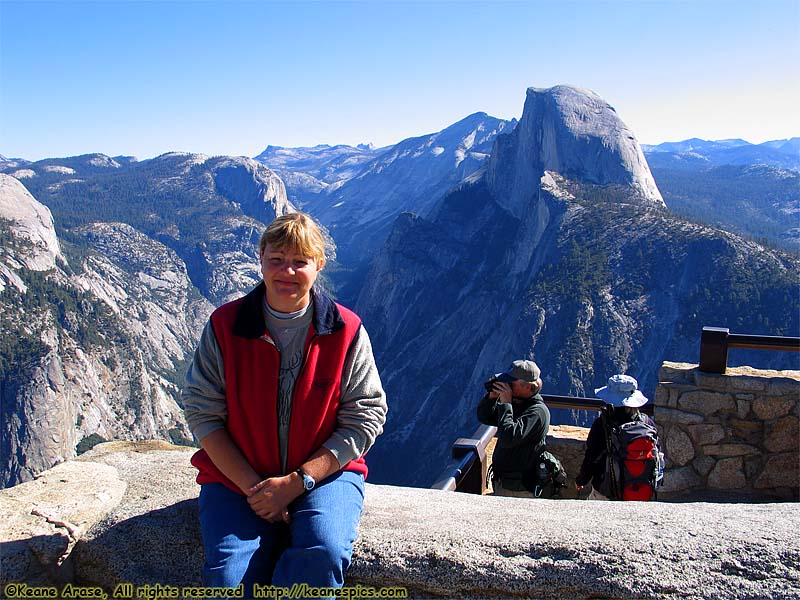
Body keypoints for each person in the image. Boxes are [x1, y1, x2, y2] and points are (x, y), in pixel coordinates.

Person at [182, 212, 387, 597]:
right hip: (238, 476)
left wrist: (298, 482)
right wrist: (258, 490)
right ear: (260, 258)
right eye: (276, 260)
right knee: (227, 579)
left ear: (319, 264)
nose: (287, 271)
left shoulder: (345, 330)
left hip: (326, 474)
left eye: (300, 261)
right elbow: (202, 411)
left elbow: (366, 416)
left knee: (322, 552)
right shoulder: (226, 326)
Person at [576, 374, 658, 500]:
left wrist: (581, 480)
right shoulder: (647, 423)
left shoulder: (602, 424)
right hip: (640, 489)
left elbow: (592, 457)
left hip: (606, 488)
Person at [476, 359, 551, 498]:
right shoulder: (518, 402)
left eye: (511, 383)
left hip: (519, 488)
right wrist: (492, 397)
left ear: (527, 387)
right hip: (505, 481)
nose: (506, 386)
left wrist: (505, 404)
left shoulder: (537, 413)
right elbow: (485, 418)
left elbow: (508, 438)